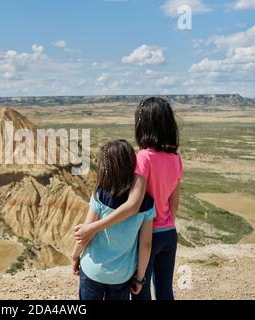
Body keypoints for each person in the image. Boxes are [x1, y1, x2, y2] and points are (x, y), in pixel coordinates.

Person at [75, 97, 182, 300]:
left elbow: (133, 205)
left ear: (143, 125)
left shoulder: (143, 157)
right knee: (165, 290)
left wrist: (94, 227)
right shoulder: (176, 159)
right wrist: (167, 224)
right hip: (169, 233)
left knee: (139, 291)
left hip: (149, 232)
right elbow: (173, 205)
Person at [71, 139, 155, 300]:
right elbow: (146, 244)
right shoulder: (146, 203)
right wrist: (139, 278)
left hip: (92, 271)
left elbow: (86, 234)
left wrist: (75, 256)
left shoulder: (101, 195)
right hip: (121, 275)